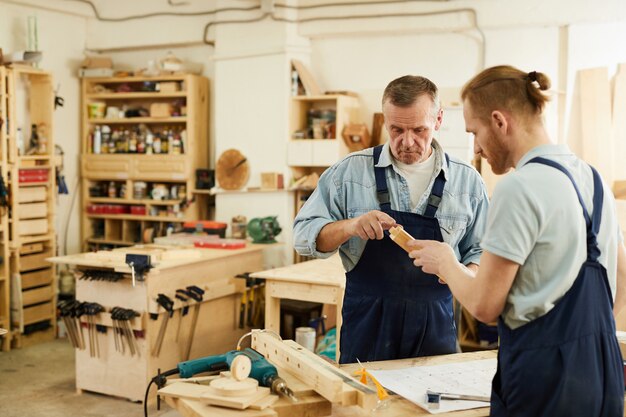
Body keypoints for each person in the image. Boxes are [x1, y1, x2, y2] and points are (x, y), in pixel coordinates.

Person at [408, 65, 626, 416]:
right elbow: (622, 278)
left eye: (474, 133)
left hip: (544, 381)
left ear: (499, 121)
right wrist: (583, 343)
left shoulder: (518, 187)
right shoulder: (593, 179)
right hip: (604, 375)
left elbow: (484, 306)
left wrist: (447, 263)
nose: (476, 149)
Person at [293, 75, 489, 364]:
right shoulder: (349, 173)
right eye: (396, 129)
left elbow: (482, 251)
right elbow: (302, 237)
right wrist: (350, 226)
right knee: (365, 405)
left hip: (434, 324)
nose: (407, 142)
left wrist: (460, 270)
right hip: (368, 324)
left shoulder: (467, 182)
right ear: (384, 120)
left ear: (438, 120)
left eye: (419, 130)